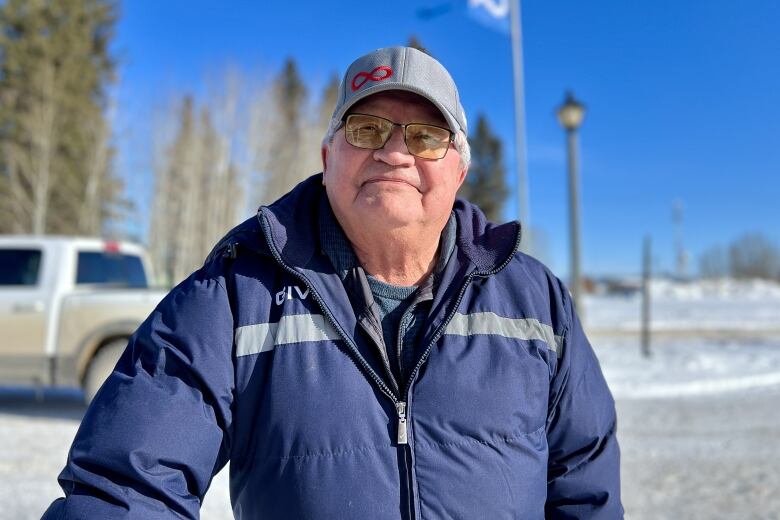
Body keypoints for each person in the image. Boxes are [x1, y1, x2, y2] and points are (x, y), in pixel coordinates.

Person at [43, 46, 622, 519]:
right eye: (367, 129)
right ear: (328, 156)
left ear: (459, 170)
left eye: (424, 137)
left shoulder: (537, 302)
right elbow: (126, 489)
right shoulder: (235, 295)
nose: (395, 151)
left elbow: (586, 493)